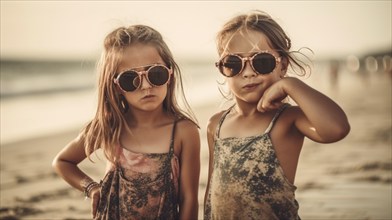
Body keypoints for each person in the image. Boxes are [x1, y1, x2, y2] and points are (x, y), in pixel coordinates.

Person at [204, 10, 350, 220]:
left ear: (282, 65)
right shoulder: (216, 124)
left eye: (261, 61)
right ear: (222, 68)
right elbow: (211, 194)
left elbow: (337, 128)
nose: (247, 72)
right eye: (233, 63)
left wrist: (291, 85)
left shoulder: (287, 120)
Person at [52, 25, 200, 220]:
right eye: (130, 79)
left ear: (170, 74)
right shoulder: (110, 125)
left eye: (156, 73)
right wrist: (91, 187)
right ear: (116, 86)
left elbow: (188, 198)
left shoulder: (183, 131)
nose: (146, 86)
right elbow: (62, 162)